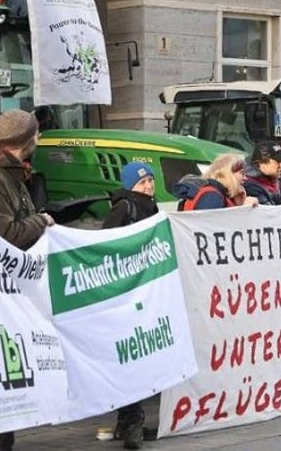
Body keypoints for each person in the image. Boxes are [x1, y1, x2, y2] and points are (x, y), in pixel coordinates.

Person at [0, 109, 53, 451]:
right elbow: (5, 234)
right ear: (26, 140)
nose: (40, 139)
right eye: (36, 134)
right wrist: (42, 221)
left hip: (11, 293)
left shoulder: (9, 176)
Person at [102, 161, 159, 450]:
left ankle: (126, 421)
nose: (148, 186)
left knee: (140, 356)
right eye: (142, 183)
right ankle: (132, 421)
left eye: (150, 180)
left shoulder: (153, 208)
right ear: (129, 186)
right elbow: (106, 245)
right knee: (131, 357)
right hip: (126, 294)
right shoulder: (124, 208)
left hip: (145, 292)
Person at [175, 153, 258, 211]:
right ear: (227, 172)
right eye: (242, 173)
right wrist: (244, 209)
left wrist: (239, 204)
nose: (245, 178)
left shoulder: (217, 193)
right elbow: (211, 228)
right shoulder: (212, 196)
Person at [243, 140, 281, 205]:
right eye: (278, 161)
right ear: (261, 163)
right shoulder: (250, 186)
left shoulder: (272, 181)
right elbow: (271, 212)